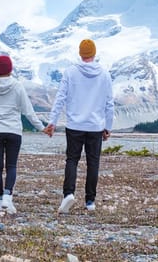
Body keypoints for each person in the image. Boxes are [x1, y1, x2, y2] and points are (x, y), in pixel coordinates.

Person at [44, 39, 114, 213]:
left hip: (74, 125)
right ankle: (90, 201)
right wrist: (108, 127)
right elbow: (109, 104)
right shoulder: (105, 74)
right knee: (93, 163)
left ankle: (68, 194)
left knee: (72, 160)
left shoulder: (70, 72)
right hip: (96, 126)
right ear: (94, 53)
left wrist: (52, 122)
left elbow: (60, 98)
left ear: (81, 53)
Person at [0, 55, 46, 214]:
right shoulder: (17, 86)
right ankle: (8, 195)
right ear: (10, 69)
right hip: (14, 131)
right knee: (11, 166)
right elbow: (28, 111)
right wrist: (41, 127)